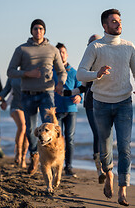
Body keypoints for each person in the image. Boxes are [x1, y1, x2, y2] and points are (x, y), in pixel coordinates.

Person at [76, 9, 135, 206]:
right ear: (105, 26)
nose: (118, 24)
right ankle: (109, 175)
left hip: (124, 102)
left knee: (125, 147)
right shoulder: (95, 47)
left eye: (120, 21)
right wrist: (96, 74)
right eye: (114, 21)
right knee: (105, 147)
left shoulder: (129, 46)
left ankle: (123, 189)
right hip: (101, 103)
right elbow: (81, 73)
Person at [7, 19, 67, 175]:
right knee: (30, 129)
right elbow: (10, 71)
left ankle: (52, 158)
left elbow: (62, 71)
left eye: (41, 28)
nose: (38, 31)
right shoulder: (22, 50)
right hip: (27, 94)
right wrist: (27, 73)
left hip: (47, 93)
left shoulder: (52, 50)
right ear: (31, 31)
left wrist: (60, 83)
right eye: (35, 28)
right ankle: (34, 154)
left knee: (50, 127)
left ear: (44, 31)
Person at [63, 34, 106, 183]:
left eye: (97, 42)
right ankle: (99, 168)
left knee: (105, 135)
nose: (94, 45)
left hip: (108, 101)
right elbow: (83, 87)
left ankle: (105, 165)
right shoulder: (86, 65)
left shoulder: (108, 61)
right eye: (91, 43)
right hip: (91, 103)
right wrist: (67, 93)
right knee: (98, 133)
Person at [54, 42, 83, 177]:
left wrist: (79, 97)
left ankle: (68, 166)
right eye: (58, 53)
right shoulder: (52, 71)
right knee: (57, 139)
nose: (61, 55)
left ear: (67, 54)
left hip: (71, 110)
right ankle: (56, 165)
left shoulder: (74, 72)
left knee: (70, 139)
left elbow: (81, 89)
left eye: (63, 52)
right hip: (56, 110)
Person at [0, 78, 29, 168]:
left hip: (29, 107)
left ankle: (24, 157)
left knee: (28, 131)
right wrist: (0, 100)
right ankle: (18, 153)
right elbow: (6, 90)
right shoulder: (14, 76)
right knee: (22, 127)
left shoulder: (33, 73)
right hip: (16, 107)